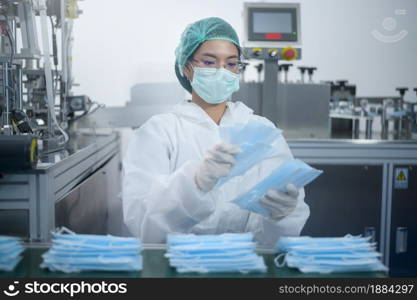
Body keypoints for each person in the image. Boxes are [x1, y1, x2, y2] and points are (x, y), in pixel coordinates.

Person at [122, 17, 310, 247]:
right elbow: (143, 225)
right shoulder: (159, 132)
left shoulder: (261, 130)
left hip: (245, 267)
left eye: (231, 64)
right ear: (186, 67)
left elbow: (277, 237)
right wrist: (194, 183)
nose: (223, 71)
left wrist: (282, 215)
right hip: (178, 267)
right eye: (210, 62)